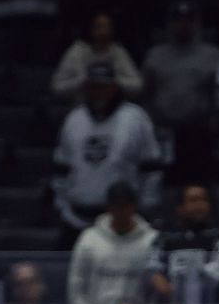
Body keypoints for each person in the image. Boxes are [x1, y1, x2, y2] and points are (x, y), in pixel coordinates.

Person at [52, 64, 158, 238]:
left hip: (122, 218)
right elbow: (61, 168)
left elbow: (151, 167)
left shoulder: (135, 118)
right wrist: (62, 206)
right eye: (93, 87)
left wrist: (145, 206)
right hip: (77, 216)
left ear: (115, 88)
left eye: (104, 87)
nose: (99, 92)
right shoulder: (74, 119)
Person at [141, 2, 219, 188]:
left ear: (197, 24)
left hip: (199, 132)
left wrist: (215, 119)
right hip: (164, 132)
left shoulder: (212, 55)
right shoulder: (155, 54)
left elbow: (218, 92)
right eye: (178, 21)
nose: (183, 26)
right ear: (170, 24)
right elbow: (146, 92)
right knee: (166, 183)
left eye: (188, 21)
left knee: (198, 184)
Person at [67, 184, 159, 304]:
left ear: (134, 207)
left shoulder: (151, 240)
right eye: (116, 207)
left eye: (125, 207)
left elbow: (154, 288)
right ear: (108, 207)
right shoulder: (89, 238)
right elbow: (76, 282)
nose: (121, 212)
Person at [50, 11, 143, 102]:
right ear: (90, 28)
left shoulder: (118, 52)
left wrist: (113, 80)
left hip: (113, 111)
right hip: (83, 109)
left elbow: (138, 86)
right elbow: (56, 87)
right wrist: (81, 82)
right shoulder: (77, 51)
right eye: (98, 27)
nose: (103, 32)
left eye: (107, 27)